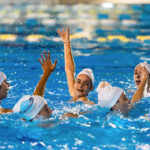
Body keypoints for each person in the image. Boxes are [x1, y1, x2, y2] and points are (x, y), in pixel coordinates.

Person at [13, 51, 57, 121]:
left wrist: (46, 73)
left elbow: (37, 102)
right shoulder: (51, 126)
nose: (51, 110)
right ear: (36, 117)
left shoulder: (29, 120)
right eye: (46, 109)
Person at [57, 27, 95, 105]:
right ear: (74, 83)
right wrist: (67, 44)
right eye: (78, 81)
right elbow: (69, 71)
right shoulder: (74, 94)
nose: (80, 86)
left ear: (91, 88)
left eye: (86, 84)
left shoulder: (89, 104)